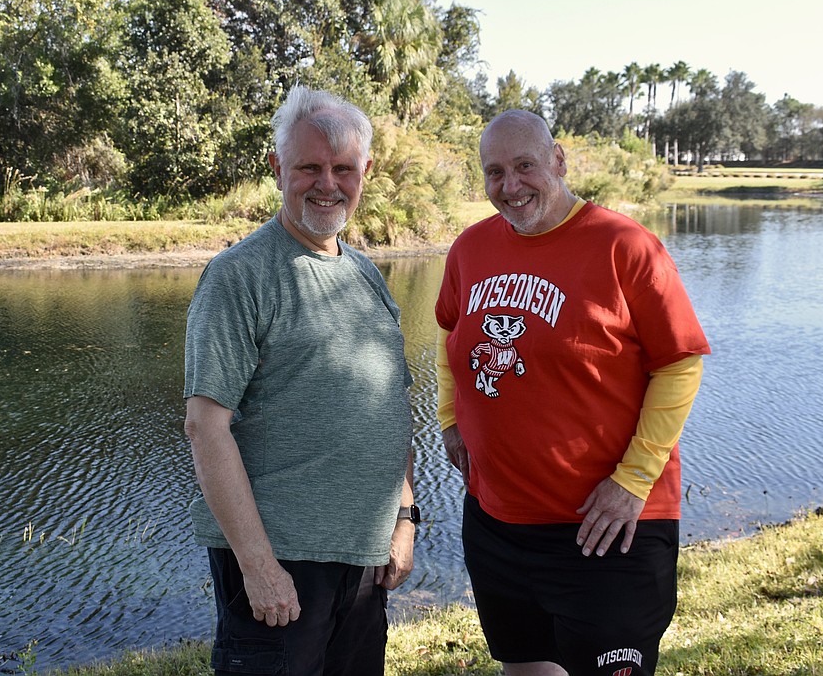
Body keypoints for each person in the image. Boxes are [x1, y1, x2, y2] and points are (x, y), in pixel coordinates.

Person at [434, 110, 710, 676]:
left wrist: (633, 480)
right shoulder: (470, 249)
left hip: (608, 527)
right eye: (494, 173)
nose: (510, 187)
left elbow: (679, 363)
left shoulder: (625, 247)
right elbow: (449, 330)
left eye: (524, 166)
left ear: (558, 161)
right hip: (498, 522)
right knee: (526, 667)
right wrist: (448, 417)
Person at [183, 85, 418, 676]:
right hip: (281, 566)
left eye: (342, 168)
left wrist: (405, 517)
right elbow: (205, 428)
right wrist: (258, 567)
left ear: (366, 170)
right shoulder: (238, 277)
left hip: (363, 563)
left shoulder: (367, 275)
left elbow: (393, 406)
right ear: (276, 168)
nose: (327, 184)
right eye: (309, 167)